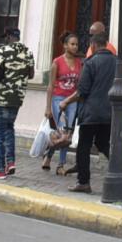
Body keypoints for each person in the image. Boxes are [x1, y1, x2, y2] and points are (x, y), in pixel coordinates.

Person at [69, 27, 118, 193]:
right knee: (103, 142)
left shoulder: (90, 63)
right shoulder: (117, 62)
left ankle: (83, 182)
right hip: (110, 111)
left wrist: (66, 102)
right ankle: (120, 166)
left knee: (83, 145)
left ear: (94, 45)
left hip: (91, 112)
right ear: (106, 44)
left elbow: (82, 91)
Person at [0, 27, 37, 179]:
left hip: (3, 98)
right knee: (9, 129)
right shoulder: (28, 52)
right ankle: (11, 162)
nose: (5, 39)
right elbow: (32, 74)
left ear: (8, 36)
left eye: (5, 37)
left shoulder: (4, 50)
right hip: (18, 98)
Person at [45, 32, 83, 175]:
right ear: (65, 45)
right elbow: (50, 86)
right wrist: (48, 107)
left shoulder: (80, 63)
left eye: (76, 44)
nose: (75, 47)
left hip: (72, 101)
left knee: (67, 133)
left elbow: (80, 85)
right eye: (72, 44)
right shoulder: (57, 62)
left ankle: (56, 162)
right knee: (61, 133)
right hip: (57, 99)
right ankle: (56, 162)